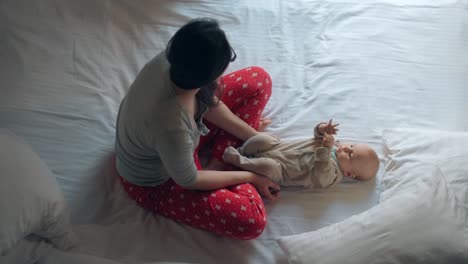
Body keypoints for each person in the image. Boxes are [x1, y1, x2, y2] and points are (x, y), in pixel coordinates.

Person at [114, 18, 280, 240]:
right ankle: (228, 161)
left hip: (175, 142)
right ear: (207, 78)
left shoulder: (172, 59)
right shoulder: (171, 124)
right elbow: (190, 180)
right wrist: (251, 176)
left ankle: (222, 159)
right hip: (158, 180)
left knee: (259, 80)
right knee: (252, 221)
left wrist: (255, 137)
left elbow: (208, 103)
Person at [222, 120, 380, 188]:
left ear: (348, 173)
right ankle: (244, 150)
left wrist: (325, 148)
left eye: (350, 154)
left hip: (282, 171)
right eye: (351, 146)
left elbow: (321, 169)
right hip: (278, 148)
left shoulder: (332, 177)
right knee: (264, 140)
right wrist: (322, 129)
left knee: (268, 167)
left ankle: (237, 160)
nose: (346, 148)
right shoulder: (332, 143)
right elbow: (316, 136)